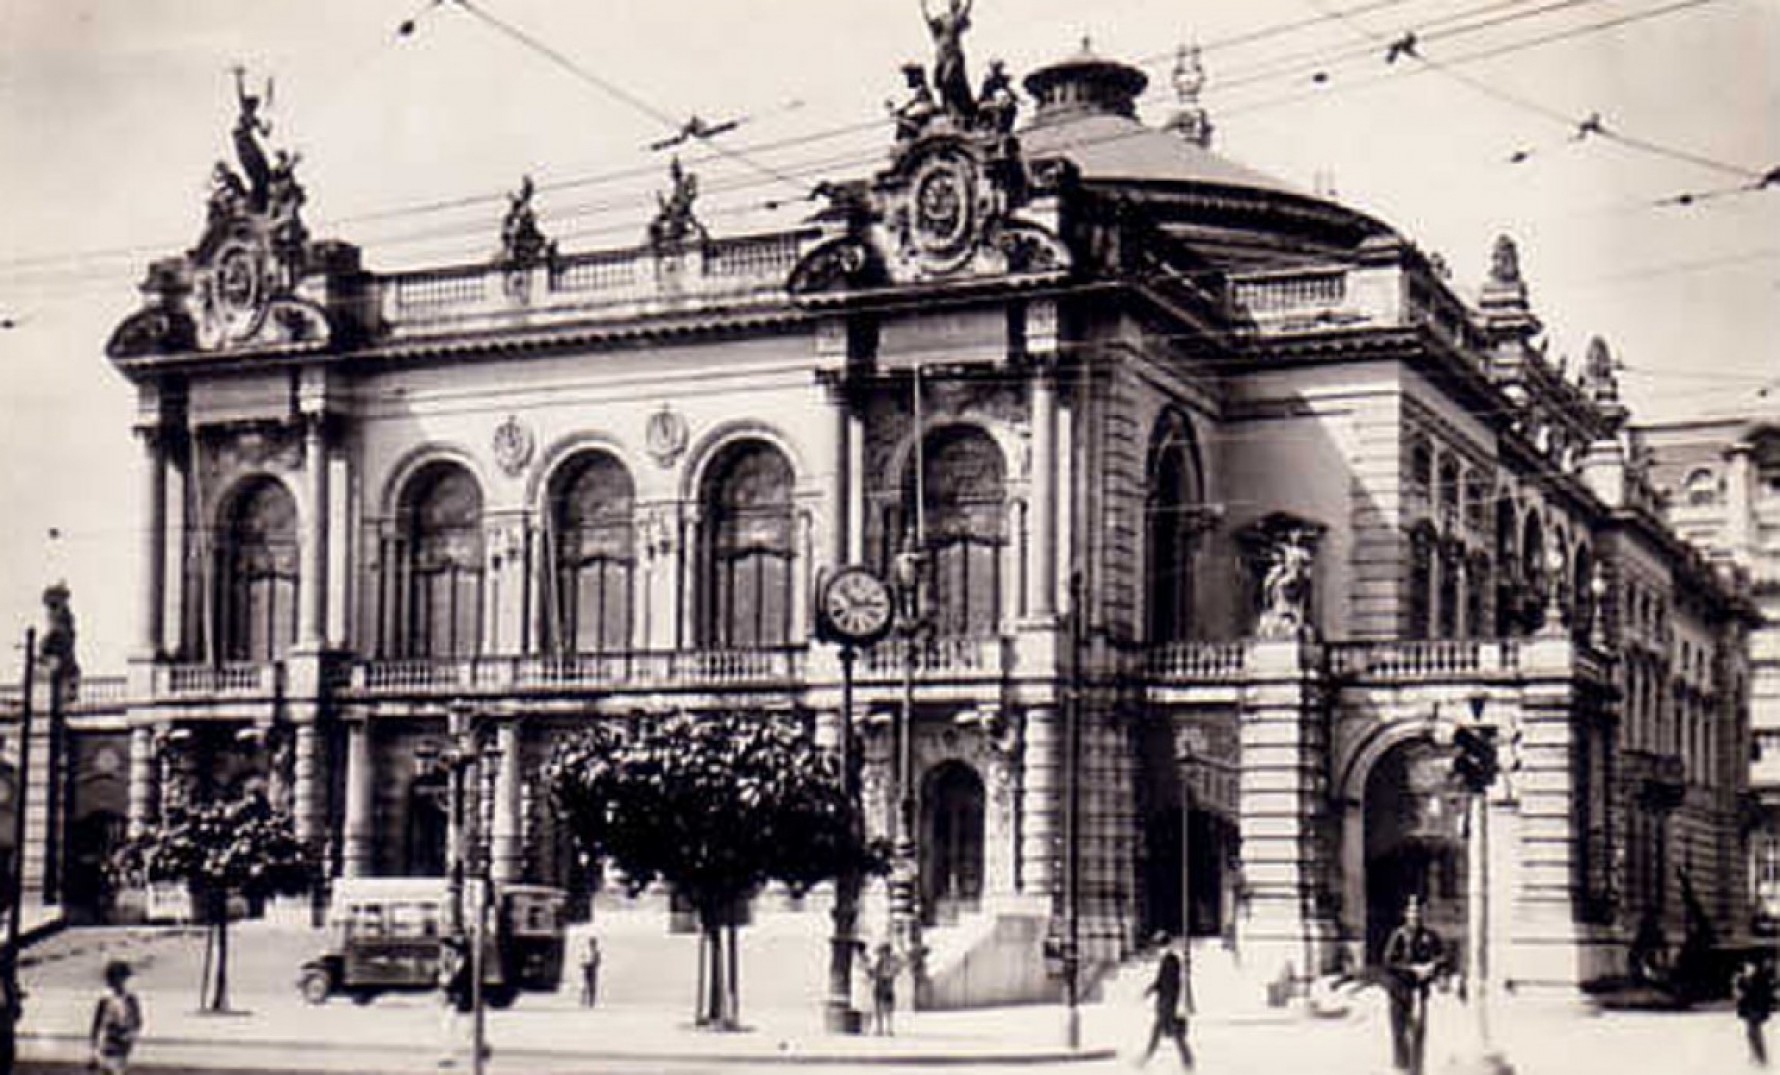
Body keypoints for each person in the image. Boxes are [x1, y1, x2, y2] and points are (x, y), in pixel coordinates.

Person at [1382, 896, 1444, 1075]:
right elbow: (1388, 962)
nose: (1415, 916)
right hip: (1399, 992)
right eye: (1411, 912)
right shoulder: (1398, 935)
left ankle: (1417, 1068)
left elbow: (1442, 957)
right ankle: (1401, 1068)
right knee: (1400, 1031)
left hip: (1419, 991)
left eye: (1418, 912)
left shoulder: (1430, 936)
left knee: (1418, 1030)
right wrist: (1412, 969)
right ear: (1406, 915)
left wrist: (1433, 966)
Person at [1139, 932, 1194, 1069]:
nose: (1155, 949)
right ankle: (1187, 1061)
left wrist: (1168, 1004)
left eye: (1157, 945)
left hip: (1168, 1003)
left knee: (1164, 1032)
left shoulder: (1171, 960)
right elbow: (1161, 981)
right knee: (1173, 1034)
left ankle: (1146, 1058)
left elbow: (1170, 984)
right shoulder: (1168, 959)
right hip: (1166, 1002)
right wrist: (1150, 990)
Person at [89, 960, 142, 1075]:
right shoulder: (105, 999)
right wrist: (94, 1048)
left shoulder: (130, 999)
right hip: (107, 1041)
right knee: (111, 1069)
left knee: (118, 1069)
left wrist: (131, 1034)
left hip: (123, 1042)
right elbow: (96, 1025)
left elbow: (138, 1021)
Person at [1735, 954, 1777, 1067]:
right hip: (1749, 1010)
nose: (1748, 969)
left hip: (1756, 1010)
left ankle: (1760, 1056)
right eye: (1747, 967)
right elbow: (1739, 995)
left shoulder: (1760, 980)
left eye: (1750, 967)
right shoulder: (1743, 979)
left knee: (1754, 1033)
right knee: (1751, 1033)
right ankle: (1756, 1055)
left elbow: (1763, 995)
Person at [868, 942, 899, 1036]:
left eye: (882, 952)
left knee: (887, 1009)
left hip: (887, 986)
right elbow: (874, 974)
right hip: (880, 986)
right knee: (878, 1009)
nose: (881, 955)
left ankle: (888, 1029)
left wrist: (880, 975)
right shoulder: (879, 962)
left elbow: (893, 973)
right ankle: (880, 1029)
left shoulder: (892, 961)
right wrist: (870, 972)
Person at [579, 934, 602, 1008]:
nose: (592, 944)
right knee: (585, 984)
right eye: (591, 943)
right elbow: (583, 958)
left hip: (592, 969)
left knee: (591, 985)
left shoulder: (596, 952)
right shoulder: (587, 951)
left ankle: (591, 1001)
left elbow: (598, 961)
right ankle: (584, 1000)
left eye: (593, 943)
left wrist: (594, 964)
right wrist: (583, 964)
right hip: (587, 968)